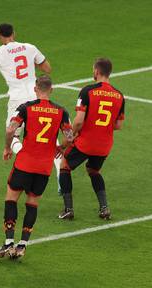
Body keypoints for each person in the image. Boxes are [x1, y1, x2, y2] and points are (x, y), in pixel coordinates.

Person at [0, 76, 73, 259]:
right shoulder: (61, 111)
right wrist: (60, 149)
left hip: (25, 163)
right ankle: (23, 245)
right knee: (32, 203)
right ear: (51, 89)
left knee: (11, 199)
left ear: (35, 88)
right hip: (44, 167)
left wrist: (7, 147)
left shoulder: (26, 108)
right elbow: (69, 137)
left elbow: (10, 129)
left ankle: (8, 243)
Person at [0, 24, 61, 190]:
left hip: (17, 99)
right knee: (49, 136)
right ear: (14, 33)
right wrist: (29, 65)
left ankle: (26, 164)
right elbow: (47, 69)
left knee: (13, 135)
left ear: (0, 36)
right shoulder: (29, 47)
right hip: (36, 95)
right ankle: (60, 175)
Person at [58, 58, 125, 221]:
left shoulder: (87, 91)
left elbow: (79, 121)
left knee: (65, 165)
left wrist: (69, 138)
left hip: (86, 142)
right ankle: (104, 208)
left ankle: (68, 209)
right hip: (104, 145)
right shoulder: (119, 95)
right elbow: (118, 125)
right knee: (94, 170)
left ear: (96, 71)